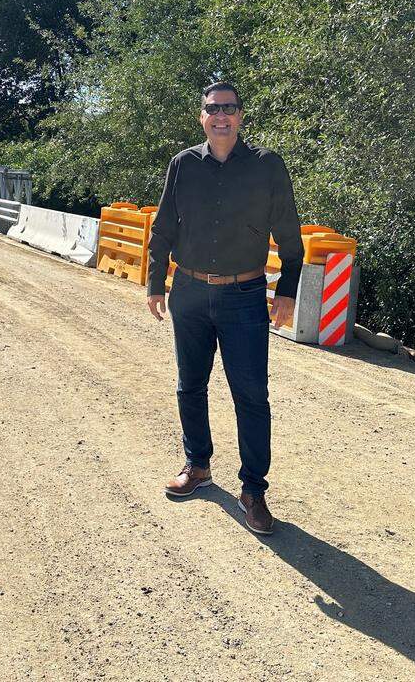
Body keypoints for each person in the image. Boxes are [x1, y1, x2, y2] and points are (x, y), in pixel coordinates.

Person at [146, 81, 303, 535]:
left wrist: (287, 291)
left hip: (244, 297)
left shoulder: (267, 167)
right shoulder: (182, 166)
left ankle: (253, 490)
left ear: (240, 116)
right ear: (201, 117)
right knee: (188, 386)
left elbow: (291, 237)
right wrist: (156, 283)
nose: (221, 116)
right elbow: (163, 228)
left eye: (229, 108)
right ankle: (198, 466)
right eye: (213, 109)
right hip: (190, 293)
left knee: (251, 396)